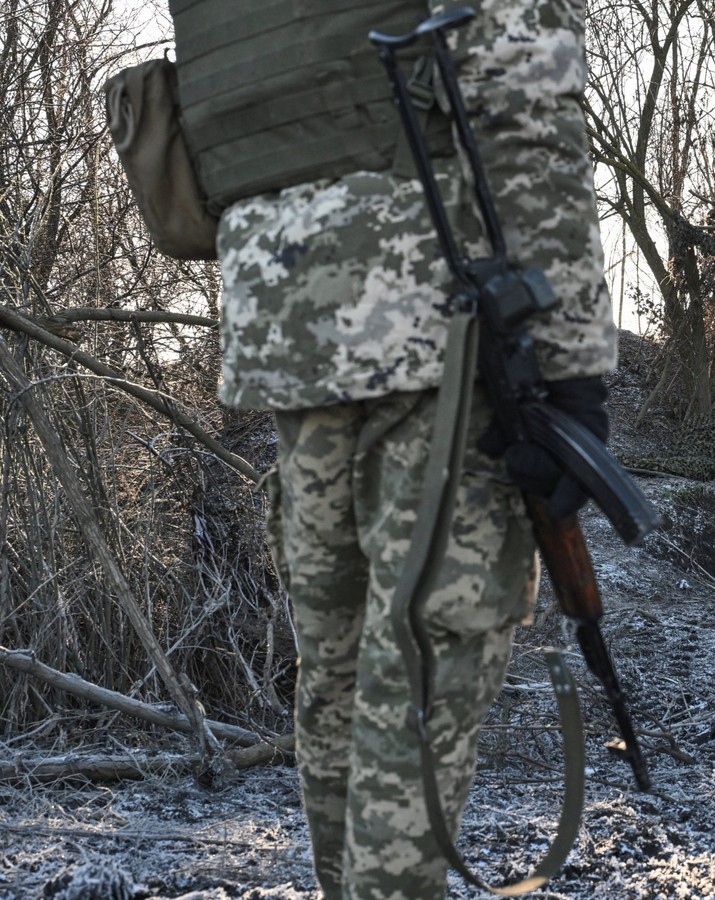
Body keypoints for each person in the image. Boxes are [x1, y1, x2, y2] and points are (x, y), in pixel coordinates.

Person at [168, 1, 617, 897]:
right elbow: (527, 101)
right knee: (427, 657)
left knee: (337, 666)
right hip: (435, 312)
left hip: (283, 321)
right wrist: (572, 369)